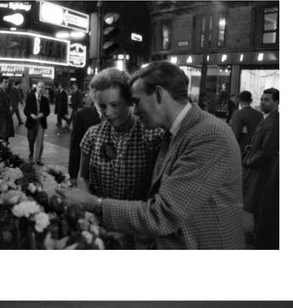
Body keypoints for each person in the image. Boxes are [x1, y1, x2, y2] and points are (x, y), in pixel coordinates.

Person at [58, 61, 245, 249]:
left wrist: (95, 204)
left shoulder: (207, 135)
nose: (136, 111)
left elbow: (164, 214)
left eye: (136, 102)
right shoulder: (175, 132)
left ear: (159, 94)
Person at [76, 68, 164, 203]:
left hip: (136, 218)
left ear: (129, 101)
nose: (108, 113)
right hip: (98, 218)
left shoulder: (153, 136)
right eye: (102, 106)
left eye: (114, 105)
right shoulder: (92, 135)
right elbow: (83, 177)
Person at [242, 88, 279, 247]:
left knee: (260, 202)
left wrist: (249, 162)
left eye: (267, 100)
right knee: (256, 203)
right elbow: (260, 143)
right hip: (258, 167)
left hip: (263, 170)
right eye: (262, 99)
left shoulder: (275, 121)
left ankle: (259, 236)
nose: (262, 102)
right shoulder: (267, 118)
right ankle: (256, 233)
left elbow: (267, 151)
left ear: (276, 102)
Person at [68, 88, 102, 182]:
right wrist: (73, 175)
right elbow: (75, 146)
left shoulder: (117, 116)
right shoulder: (81, 115)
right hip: (88, 175)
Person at [24, 82, 50, 165]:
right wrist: (31, 114)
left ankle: (38, 158)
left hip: (41, 123)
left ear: (44, 89)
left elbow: (47, 111)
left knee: (40, 141)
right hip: (31, 123)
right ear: (36, 87)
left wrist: (42, 114)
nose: (40, 89)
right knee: (31, 140)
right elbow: (26, 110)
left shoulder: (45, 99)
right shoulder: (30, 97)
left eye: (42, 87)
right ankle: (31, 155)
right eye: (39, 87)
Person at [230, 90, 263, 155]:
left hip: (242, 148)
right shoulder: (259, 114)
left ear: (239, 100)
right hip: (256, 147)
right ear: (251, 100)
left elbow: (235, 133)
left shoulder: (238, 113)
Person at [0, 75, 15, 142]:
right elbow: (0, 108)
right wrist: (8, 113)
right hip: (1, 124)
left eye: (8, 82)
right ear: (0, 83)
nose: (7, 84)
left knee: (0, 143)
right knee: (3, 144)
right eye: (5, 82)